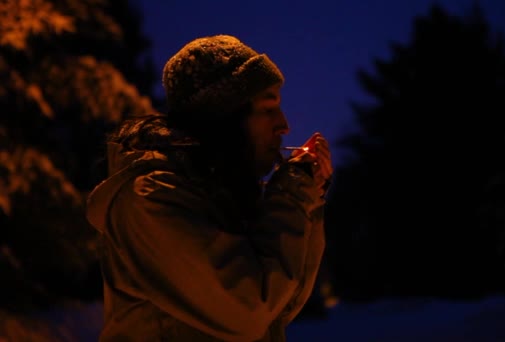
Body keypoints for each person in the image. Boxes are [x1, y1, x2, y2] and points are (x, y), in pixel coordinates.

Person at [85, 34, 333, 341]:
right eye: (268, 109)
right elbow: (249, 310)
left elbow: (281, 307)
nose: (284, 125)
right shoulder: (149, 197)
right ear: (224, 117)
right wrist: (292, 194)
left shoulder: (220, 193)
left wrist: (310, 200)